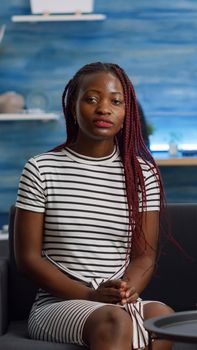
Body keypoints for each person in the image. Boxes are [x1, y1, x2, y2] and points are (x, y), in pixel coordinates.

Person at [15, 62, 174, 350]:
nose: (104, 108)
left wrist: (125, 290)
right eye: (91, 99)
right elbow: (28, 259)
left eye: (116, 101)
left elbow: (144, 258)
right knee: (114, 321)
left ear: (127, 114)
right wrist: (90, 296)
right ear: (72, 107)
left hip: (115, 301)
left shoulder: (143, 174)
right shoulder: (41, 168)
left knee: (162, 318)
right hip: (58, 303)